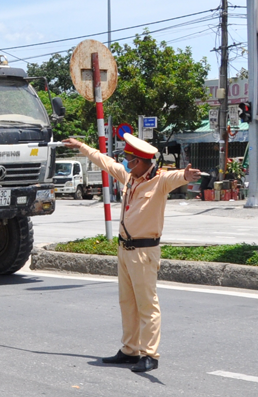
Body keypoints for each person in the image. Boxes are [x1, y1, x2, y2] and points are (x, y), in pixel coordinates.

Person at [63, 133, 201, 373]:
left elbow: (178, 177)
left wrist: (187, 176)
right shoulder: (130, 179)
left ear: (138, 161)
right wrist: (82, 146)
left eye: (128, 159)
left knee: (147, 305)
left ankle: (149, 354)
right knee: (127, 303)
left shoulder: (160, 181)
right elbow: (105, 162)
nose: (125, 163)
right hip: (124, 250)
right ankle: (129, 350)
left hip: (144, 252)